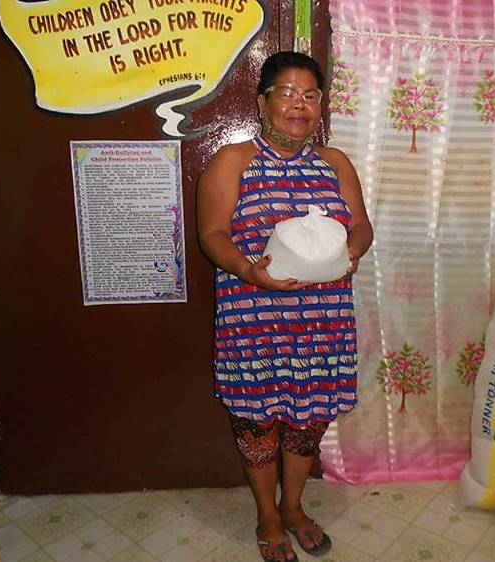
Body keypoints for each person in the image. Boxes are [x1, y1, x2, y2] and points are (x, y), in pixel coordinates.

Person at [197, 51, 373, 562]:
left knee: (307, 424)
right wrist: (249, 269)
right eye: (288, 93)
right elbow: (213, 235)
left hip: (323, 322)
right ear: (263, 101)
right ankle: (268, 517)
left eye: (311, 95)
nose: (300, 104)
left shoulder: (335, 163)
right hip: (253, 320)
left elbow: (361, 226)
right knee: (258, 426)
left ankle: (293, 507)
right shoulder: (233, 161)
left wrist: (353, 250)